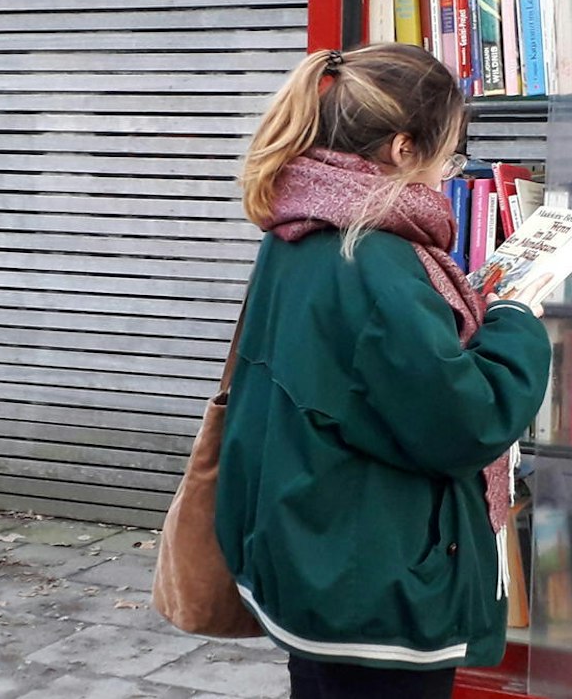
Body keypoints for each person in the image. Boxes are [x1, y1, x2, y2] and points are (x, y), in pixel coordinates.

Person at [215, 43, 553, 699]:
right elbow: (466, 420)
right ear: (402, 149)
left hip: (313, 553)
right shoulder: (373, 256)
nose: (448, 171)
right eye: (450, 155)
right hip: (376, 581)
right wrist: (515, 317)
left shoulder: (300, 221)